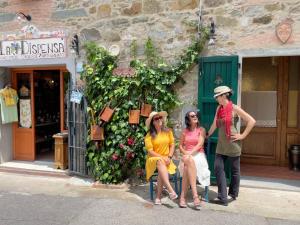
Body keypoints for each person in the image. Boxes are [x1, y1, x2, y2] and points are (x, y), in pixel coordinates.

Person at [207, 86, 256, 206]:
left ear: (224, 96)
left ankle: (233, 194)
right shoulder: (219, 108)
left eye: (217, 96)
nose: (216, 99)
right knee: (218, 168)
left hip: (233, 142)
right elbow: (215, 123)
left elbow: (251, 121)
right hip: (222, 143)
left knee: (234, 171)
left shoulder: (234, 108)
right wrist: (207, 134)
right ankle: (223, 197)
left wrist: (242, 135)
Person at [178, 111, 210, 209]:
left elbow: (200, 144)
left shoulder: (201, 130)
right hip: (186, 155)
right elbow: (180, 146)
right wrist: (186, 153)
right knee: (188, 161)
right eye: (192, 116)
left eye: (196, 115)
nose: (195, 116)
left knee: (187, 165)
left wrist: (189, 154)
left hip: (198, 155)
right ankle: (195, 196)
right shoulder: (184, 131)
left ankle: (182, 197)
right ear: (188, 119)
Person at [144, 111, 178, 205]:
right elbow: (150, 151)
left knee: (161, 169)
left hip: (167, 158)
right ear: (153, 122)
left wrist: (170, 157)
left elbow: (172, 144)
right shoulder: (149, 135)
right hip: (153, 158)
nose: (159, 120)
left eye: (160, 118)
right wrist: (163, 157)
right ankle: (170, 189)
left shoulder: (168, 131)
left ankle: (158, 197)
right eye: (156, 118)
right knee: (159, 161)